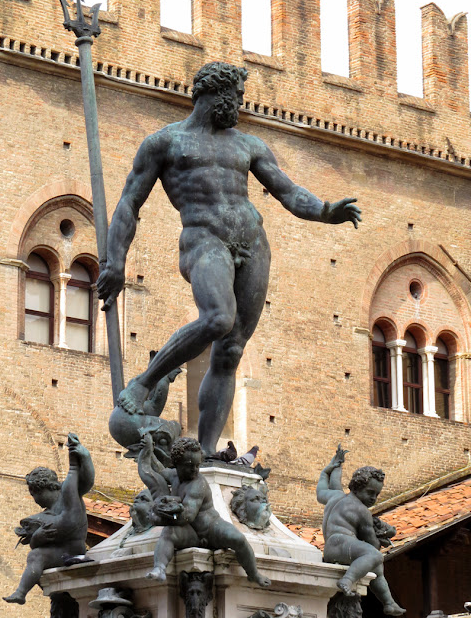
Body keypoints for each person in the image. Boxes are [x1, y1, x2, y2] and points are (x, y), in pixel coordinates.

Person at [97, 61, 362, 456]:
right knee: (218, 318)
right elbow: (129, 203)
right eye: (235, 97)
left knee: (232, 349)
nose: (239, 104)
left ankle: (205, 455)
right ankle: (145, 382)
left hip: (253, 243)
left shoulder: (249, 146)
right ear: (211, 94)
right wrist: (115, 262)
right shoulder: (165, 143)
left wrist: (324, 211)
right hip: (205, 241)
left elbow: (289, 193)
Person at [137, 433, 270, 587]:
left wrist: (158, 518)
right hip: (191, 533)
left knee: (238, 539)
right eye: (189, 465)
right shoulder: (174, 476)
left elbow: (187, 515)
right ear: (177, 464)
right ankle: (159, 568)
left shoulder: (197, 484)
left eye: (197, 465)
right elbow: (158, 470)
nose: (194, 469)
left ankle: (254, 573)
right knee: (168, 533)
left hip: (211, 528)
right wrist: (148, 450)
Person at [3, 433, 95, 605]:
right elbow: (39, 541)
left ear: (45, 487)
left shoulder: (68, 494)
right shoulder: (44, 515)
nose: (35, 499)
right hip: (59, 553)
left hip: (75, 548)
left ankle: (22, 592)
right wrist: (37, 538)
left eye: (34, 494)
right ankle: (21, 592)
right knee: (36, 556)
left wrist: (85, 456)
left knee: (36, 554)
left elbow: (87, 480)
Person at [316, 446, 405, 616]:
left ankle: (389, 603)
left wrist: (331, 469)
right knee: (376, 557)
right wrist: (381, 537)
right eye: (370, 492)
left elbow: (321, 490)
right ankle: (348, 580)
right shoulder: (362, 511)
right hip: (343, 545)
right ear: (357, 488)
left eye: (376, 495)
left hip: (332, 548)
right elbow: (372, 544)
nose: (373, 498)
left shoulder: (335, 496)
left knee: (377, 568)